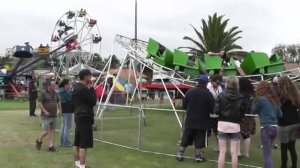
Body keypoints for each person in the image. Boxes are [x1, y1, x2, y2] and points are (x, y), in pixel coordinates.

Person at [176, 75, 215, 162]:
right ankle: (198, 156)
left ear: (198, 82)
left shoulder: (190, 91)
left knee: (185, 137)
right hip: (203, 121)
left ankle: (180, 153)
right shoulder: (208, 94)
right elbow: (213, 108)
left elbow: (184, 106)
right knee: (200, 139)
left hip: (190, 119)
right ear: (206, 83)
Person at [214, 76, 245, 168]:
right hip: (235, 125)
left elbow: (216, 110)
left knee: (222, 152)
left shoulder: (221, 95)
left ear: (227, 84)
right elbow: (243, 112)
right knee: (234, 153)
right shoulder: (241, 98)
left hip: (222, 124)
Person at [253, 81, 282, 168]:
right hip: (274, 128)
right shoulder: (274, 99)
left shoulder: (261, 99)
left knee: (267, 153)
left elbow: (254, 111)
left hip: (266, 127)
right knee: (268, 151)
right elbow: (280, 115)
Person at [72, 69, 97, 168]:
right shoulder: (84, 89)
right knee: (83, 144)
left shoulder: (76, 87)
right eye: (90, 76)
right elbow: (93, 101)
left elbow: (72, 102)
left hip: (78, 115)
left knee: (77, 142)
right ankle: (82, 166)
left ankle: (77, 164)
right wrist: (92, 88)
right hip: (85, 116)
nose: (91, 78)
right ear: (86, 77)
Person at [278, 76, 300, 168]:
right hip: (295, 123)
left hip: (284, 124)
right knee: (292, 147)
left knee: (284, 149)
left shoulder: (281, 96)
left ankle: (284, 166)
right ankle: (294, 166)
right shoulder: (296, 95)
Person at [35, 79, 61, 152]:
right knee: (46, 131)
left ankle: (51, 146)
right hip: (45, 116)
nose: (55, 86)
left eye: (55, 85)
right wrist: (45, 111)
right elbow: (39, 103)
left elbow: (58, 102)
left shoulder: (56, 93)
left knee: (52, 131)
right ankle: (39, 140)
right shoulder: (43, 93)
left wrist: (60, 111)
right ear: (48, 86)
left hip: (53, 115)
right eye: (53, 85)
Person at [238, 78, 256, 159]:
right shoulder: (253, 95)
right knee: (246, 135)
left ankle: (238, 153)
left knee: (237, 135)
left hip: (241, 116)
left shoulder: (240, 95)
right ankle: (246, 153)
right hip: (250, 117)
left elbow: (239, 107)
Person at [207, 74, 223, 152]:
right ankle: (202, 144)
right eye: (217, 83)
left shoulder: (220, 87)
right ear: (212, 81)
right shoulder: (208, 87)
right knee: (207, 130)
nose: (218, 84)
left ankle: (217, 147)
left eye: (219, 83)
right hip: (208, 111)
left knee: (217, 131)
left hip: (217, 112)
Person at [58, 79, 73, 147]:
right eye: (69, 84)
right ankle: (66, 142)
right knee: (67, 126)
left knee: (64, 126)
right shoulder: (64, 93)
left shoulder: (60, 91)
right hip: (67, 110)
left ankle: (62, 141)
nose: (70, 86)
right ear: (65, 85)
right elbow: (71, 99)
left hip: (64, 110)